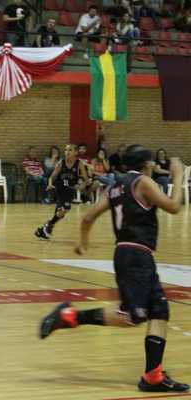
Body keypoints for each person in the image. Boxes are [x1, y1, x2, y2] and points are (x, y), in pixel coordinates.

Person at [39, 145, 189, 394]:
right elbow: (174, 207)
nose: (153, 166)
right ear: (146, 164)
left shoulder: (116, 185)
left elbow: (88, 217)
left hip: (131, 253)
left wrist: (83, 242)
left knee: (160, 310)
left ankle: (153, 375)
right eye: (151, 163)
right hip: (135, 257)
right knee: (132, 316)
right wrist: (178, 175)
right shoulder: (143, 182)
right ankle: (71, 316)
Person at [35, 144, 88, 240]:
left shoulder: (79, 164)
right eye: (66, 150)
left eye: (70, 150)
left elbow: (86, 179)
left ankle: (46, 227)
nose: (67, 152)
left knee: (60, 213)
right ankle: (48, 226)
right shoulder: (61, 163)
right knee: (65, 208)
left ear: (76, 152)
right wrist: (50, 184)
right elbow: (52, 176)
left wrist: (82, 186)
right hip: (60, 189)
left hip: (70, 191)